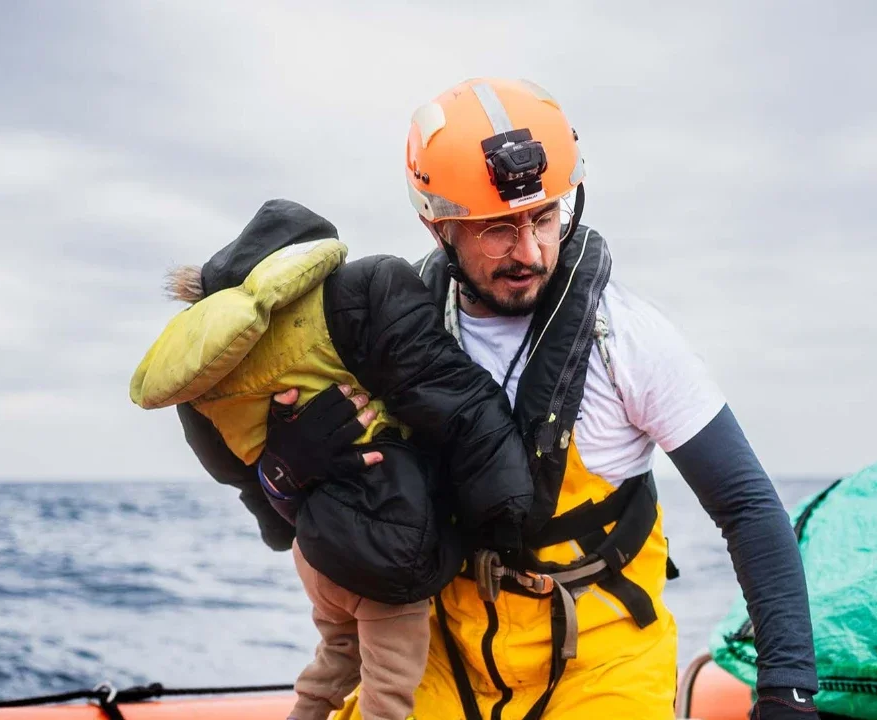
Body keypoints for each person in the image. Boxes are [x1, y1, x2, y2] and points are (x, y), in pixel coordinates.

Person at [230, 78, 824, 719]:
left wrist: (785, 690)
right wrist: (288, 470)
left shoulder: (630, 339)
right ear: (438, 225)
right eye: (497, 229)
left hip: (600, 662)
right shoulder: (388, 337)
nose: (531, 250)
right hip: (441, 652)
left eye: (545, 217)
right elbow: (294, 511)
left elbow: (748, 506)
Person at [129, 199, 536, 720]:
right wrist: (504, 513)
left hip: (314, 549)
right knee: (389, 688)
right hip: (385, 541)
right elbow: (456, 397)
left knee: (339, 651)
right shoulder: (363, 291)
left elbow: (231, 470)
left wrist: (285, 508)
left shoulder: (203, 367)